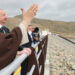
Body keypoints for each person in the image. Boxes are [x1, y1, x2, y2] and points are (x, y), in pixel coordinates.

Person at [0, 4, 38, 70]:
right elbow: (6, 43)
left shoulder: (6, 29)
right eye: (3, 15)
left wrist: (21, 50)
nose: (6, 17)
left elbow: (10, 45)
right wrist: (26, 20)